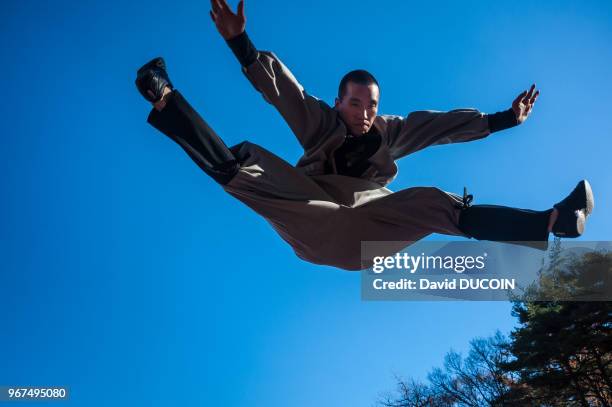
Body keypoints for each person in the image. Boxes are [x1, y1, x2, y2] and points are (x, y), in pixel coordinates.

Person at [134, 0, 594, 271]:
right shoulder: (320, 121)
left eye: (371, 105)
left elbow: (439, 127)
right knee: (250, 167)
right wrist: (240, 43)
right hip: (312, 221)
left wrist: (504, 119)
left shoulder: (388, 132)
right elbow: (281, 90)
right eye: (355, 104)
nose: (364, 114)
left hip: (368, 229)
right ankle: (166, 99)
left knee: (434, 201)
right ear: (339, 103)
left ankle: (549, 223)